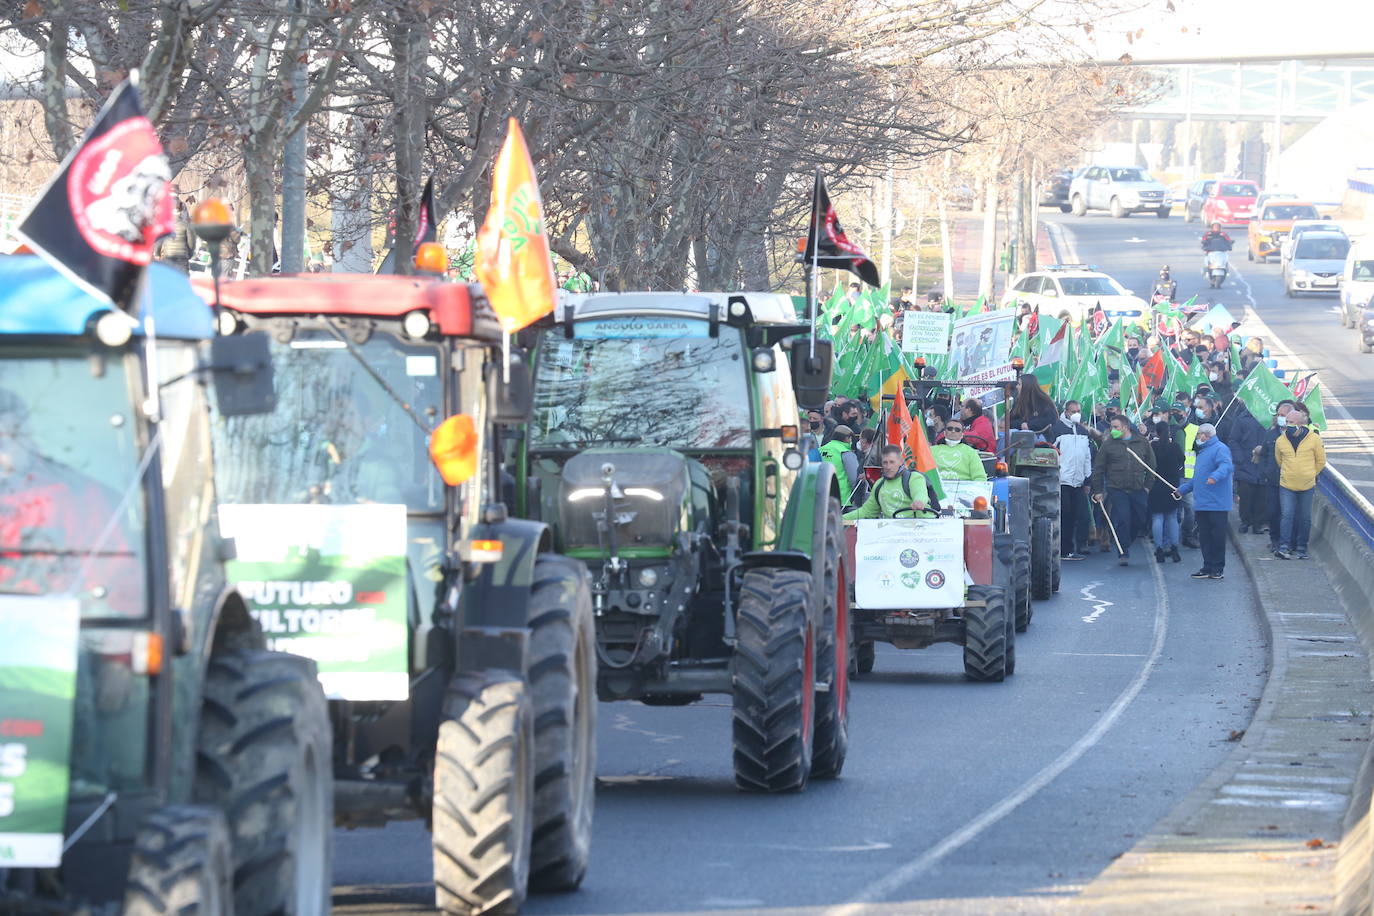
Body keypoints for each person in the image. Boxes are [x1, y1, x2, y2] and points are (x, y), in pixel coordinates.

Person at [1090, 415, 1156, 566]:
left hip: (1138, 488)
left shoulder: (1142, 442)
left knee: (1141, 519)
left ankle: (1126, 541)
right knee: (1123, 519)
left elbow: (1151, 466)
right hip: (1116, 488)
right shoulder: (1108, 445)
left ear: (1125, 427)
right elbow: (1099, 468)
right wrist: (1098, 490)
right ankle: (1123, 550)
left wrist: (1147, 486)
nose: (1113, 430)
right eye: (1112, 427)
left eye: (1116, 427)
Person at [1178, 422, 1233, 579]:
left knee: (1217, 537)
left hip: (1217, 503)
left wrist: (1214, 477)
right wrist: (1182, 490)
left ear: (1205, 435)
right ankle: (1207, 566)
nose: (1197, 438)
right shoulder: (1203, 452)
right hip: (1202, 502)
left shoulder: (1220, 449)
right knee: (1205, 536)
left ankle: (1217, 568)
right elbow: (1197, 478)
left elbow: (1226, 466)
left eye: (1198, 435)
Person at [1273, 406, 1326, 560]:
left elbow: (1321, 460)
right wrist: (1288, 472)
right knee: (1287, 515)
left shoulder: (1314, 438)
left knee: (1305, 517)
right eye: (1287, 421)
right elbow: (1279, 460)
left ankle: (1302, 548)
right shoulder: (1280, 440)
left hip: (1307, 485)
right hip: (1287, 484)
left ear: (1300, 424)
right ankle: (1284, 547)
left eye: (1291, 422)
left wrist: (1311, 473)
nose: (1287, 424)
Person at [1054, 400, 1095, 560]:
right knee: (1066, 515)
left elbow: (1086, 457)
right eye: (1073, 411)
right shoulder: (1057, 428)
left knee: (1083, 515)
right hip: (1062, 480)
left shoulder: (1082, 431)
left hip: (1079, 481)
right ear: (1066, 411)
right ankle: (1065, 549)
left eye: (1078, 410)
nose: (1077, 413)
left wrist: (1087, 479)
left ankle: (1080, 545)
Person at [843, 445, 928, 520]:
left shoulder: (914, 478)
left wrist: (919, 501)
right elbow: (866, 511)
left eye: (892, 462)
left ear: (900, 462)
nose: (888, 467)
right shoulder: (879, 484)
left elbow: (920, 493)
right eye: (885, 463)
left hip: (918, 529)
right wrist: (840, 519)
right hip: (892, 532)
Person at [1256, 399, 1296, 551]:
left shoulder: (1297, 434)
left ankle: (1287, 542)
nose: (1280, 417)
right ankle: (1275, 540)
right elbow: (1264, 454)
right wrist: (1263, 473)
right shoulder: (1271, 434)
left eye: (1283, 415)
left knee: (1287, 513)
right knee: (1273, 511)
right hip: (1272, 480)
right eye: (1278, 414)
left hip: (1290, 481)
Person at [1223, 403, 1267, 533]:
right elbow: (1233, 440)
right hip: (1245, 465)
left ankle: (1257, 523)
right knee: (1246, 496)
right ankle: (1245, 521)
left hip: (1262, 466)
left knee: (1261, 497)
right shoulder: (1241, 419)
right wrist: (1240, 459)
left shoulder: (1269, 420)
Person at [1148, 421, 1185, 564]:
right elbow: (1182, 461)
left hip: (1156, 486)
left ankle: (1159, 549)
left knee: (1157, 518)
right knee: (1172, 518)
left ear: (1157, 432)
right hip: (1172, 486)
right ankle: (1174, 548)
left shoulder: (1153, 447)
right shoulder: (1175, 447)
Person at [820, 425, 862, 508]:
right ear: (847, 438)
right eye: (850, 438)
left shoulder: (820, 450)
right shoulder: (845, 453)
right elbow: (854, 478)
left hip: (822, 498)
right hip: (843, 500)